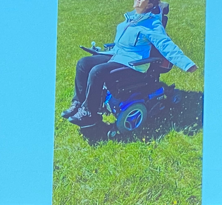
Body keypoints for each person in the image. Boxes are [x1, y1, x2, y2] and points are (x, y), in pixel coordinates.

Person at [62, 0, 199, 127]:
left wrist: (186, 64)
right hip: (117, 55)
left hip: (133, 62)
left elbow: (166, 45)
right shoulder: (132, 17)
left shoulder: (152, 24)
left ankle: (89, 114)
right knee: (83, 63)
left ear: (149, 5)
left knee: (97, 71)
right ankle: (78, 103)